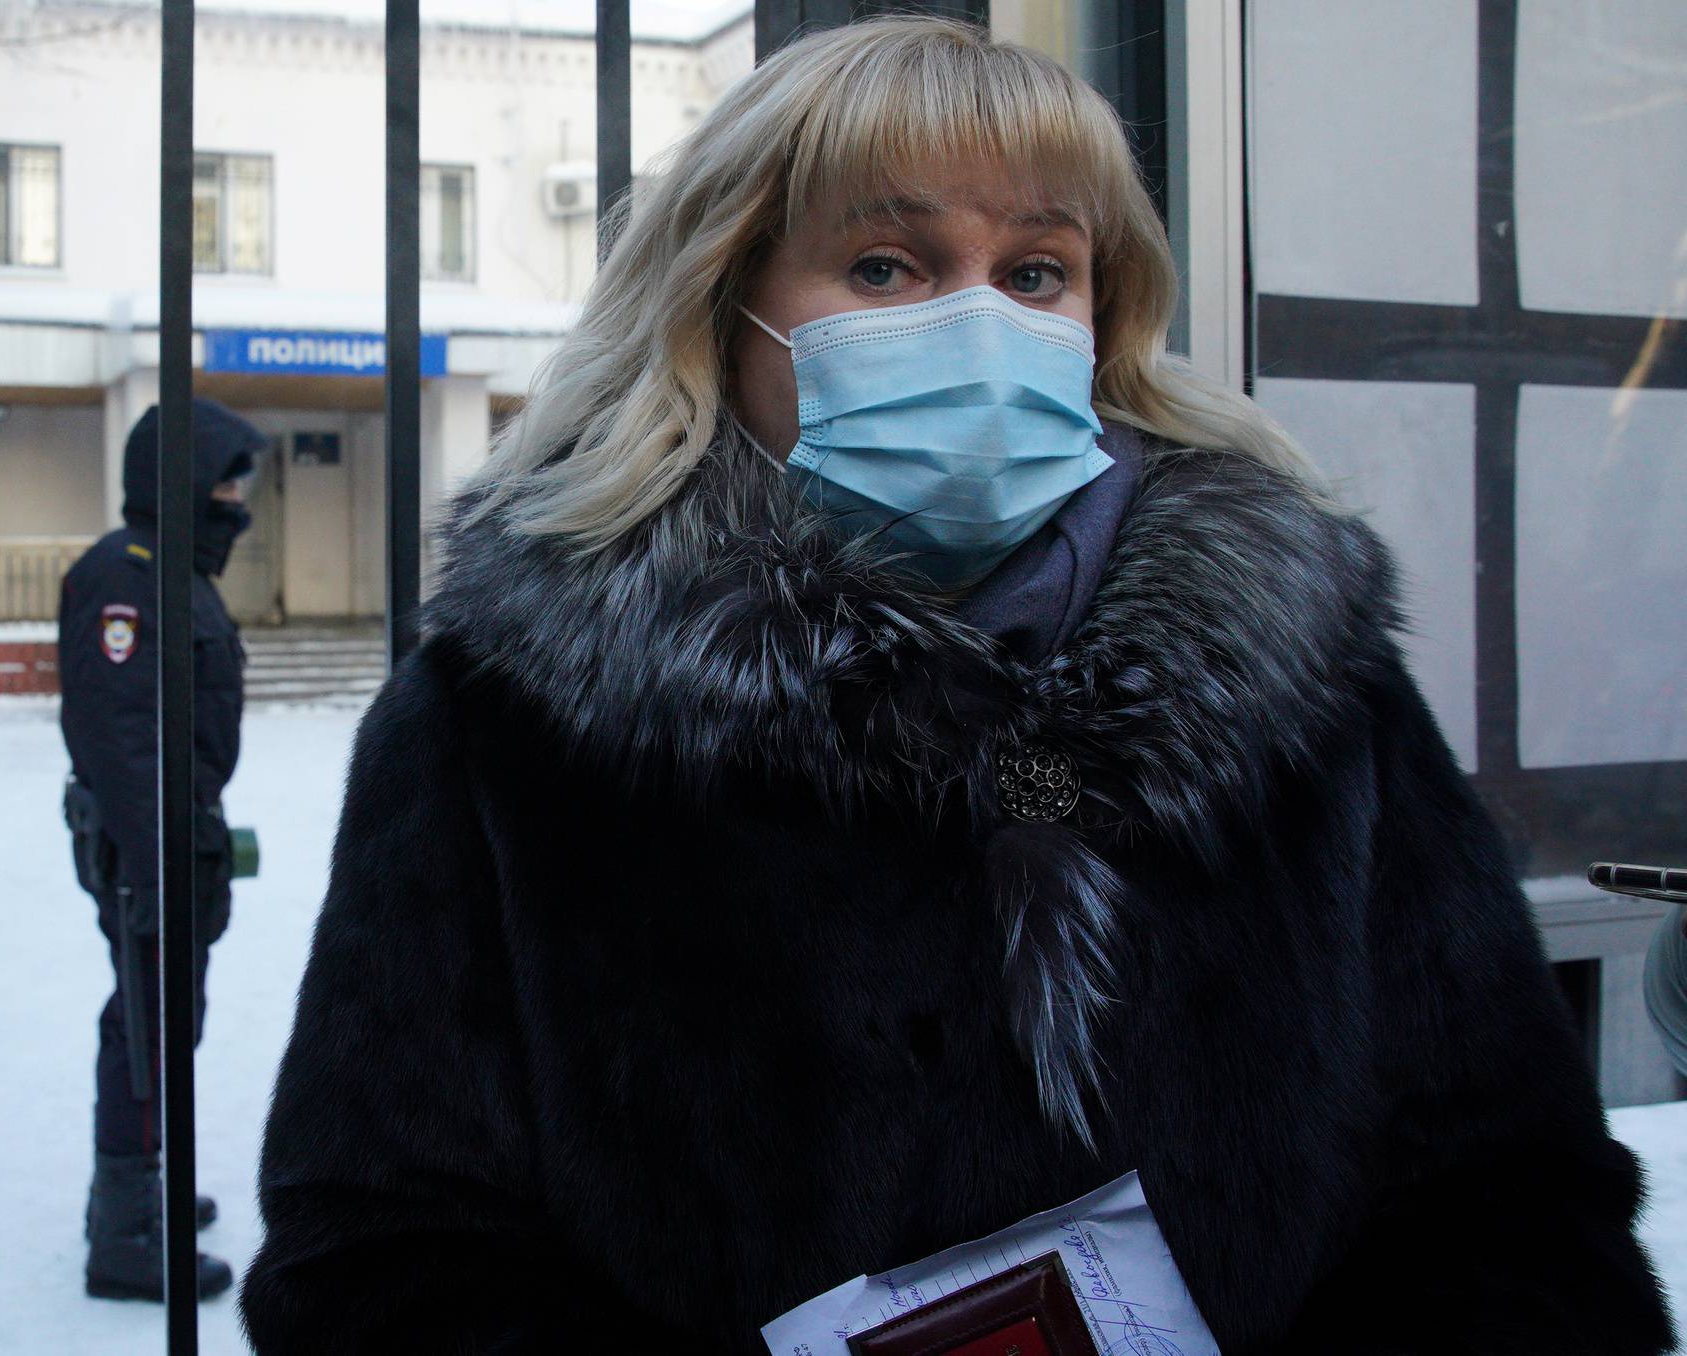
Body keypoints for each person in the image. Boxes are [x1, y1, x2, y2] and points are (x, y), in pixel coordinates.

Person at [240, 18, 1673, 1354]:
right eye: (885, 268)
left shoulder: (1307, 693)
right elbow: (378, 1253)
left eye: (1037, 271)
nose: (980, 323)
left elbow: (1512, 1195)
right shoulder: (511, 722)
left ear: (1102, 317)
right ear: (726, 304)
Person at [59, 396, 265, 1302]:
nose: (235, 499)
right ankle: (127, 1233)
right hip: (151, 850)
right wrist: (159, 867)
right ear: (179, 480)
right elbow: (123, 739)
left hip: (183, 837)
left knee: (172, 1017)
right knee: (144, 1026)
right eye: (223, 481)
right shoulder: (124, 577)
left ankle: (144, 1190)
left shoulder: (177, 573)